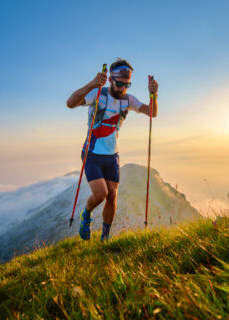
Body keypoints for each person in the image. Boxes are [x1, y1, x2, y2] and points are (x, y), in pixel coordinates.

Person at [66, 58, 159, 241]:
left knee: (112, 195)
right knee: (101, 194)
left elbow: (152, 113)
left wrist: (153, 95)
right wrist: (92, 83)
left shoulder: (128, 100)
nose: (123, 88)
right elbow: (70, 103)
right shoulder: (98, 94)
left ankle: (105, 238)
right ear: (110, 80)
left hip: (112, 155)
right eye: (119, 83)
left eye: (127, 84)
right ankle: (86, 215)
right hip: (92, 153)